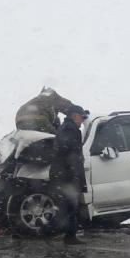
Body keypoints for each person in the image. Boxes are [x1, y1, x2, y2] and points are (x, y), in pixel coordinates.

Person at [50, 105, 89, 245]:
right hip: (66, 176)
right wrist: (75, 176)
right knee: (70, 206)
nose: (82, 121)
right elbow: (71, 154)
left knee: (65, 206)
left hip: (62, 174)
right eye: (82, 117)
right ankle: (69, 236)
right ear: (75, 116)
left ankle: (65, 234)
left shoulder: (67, 128)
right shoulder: (70, 129)